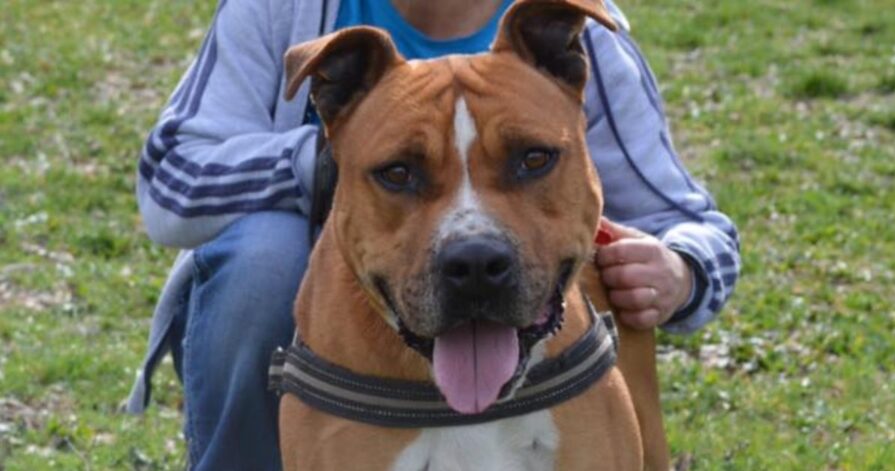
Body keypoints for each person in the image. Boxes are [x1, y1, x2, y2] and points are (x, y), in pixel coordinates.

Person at [126, 0, 740, 469]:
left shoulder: (570, 36)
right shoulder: (281, 10)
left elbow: (680, 215)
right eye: (400, 171)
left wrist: (684, 269)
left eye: (528, 160)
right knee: (259, 264)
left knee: (610, 256)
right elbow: (170, 182)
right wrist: (327, 160)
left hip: (549, 342)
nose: (470, 235)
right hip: (319, 300)